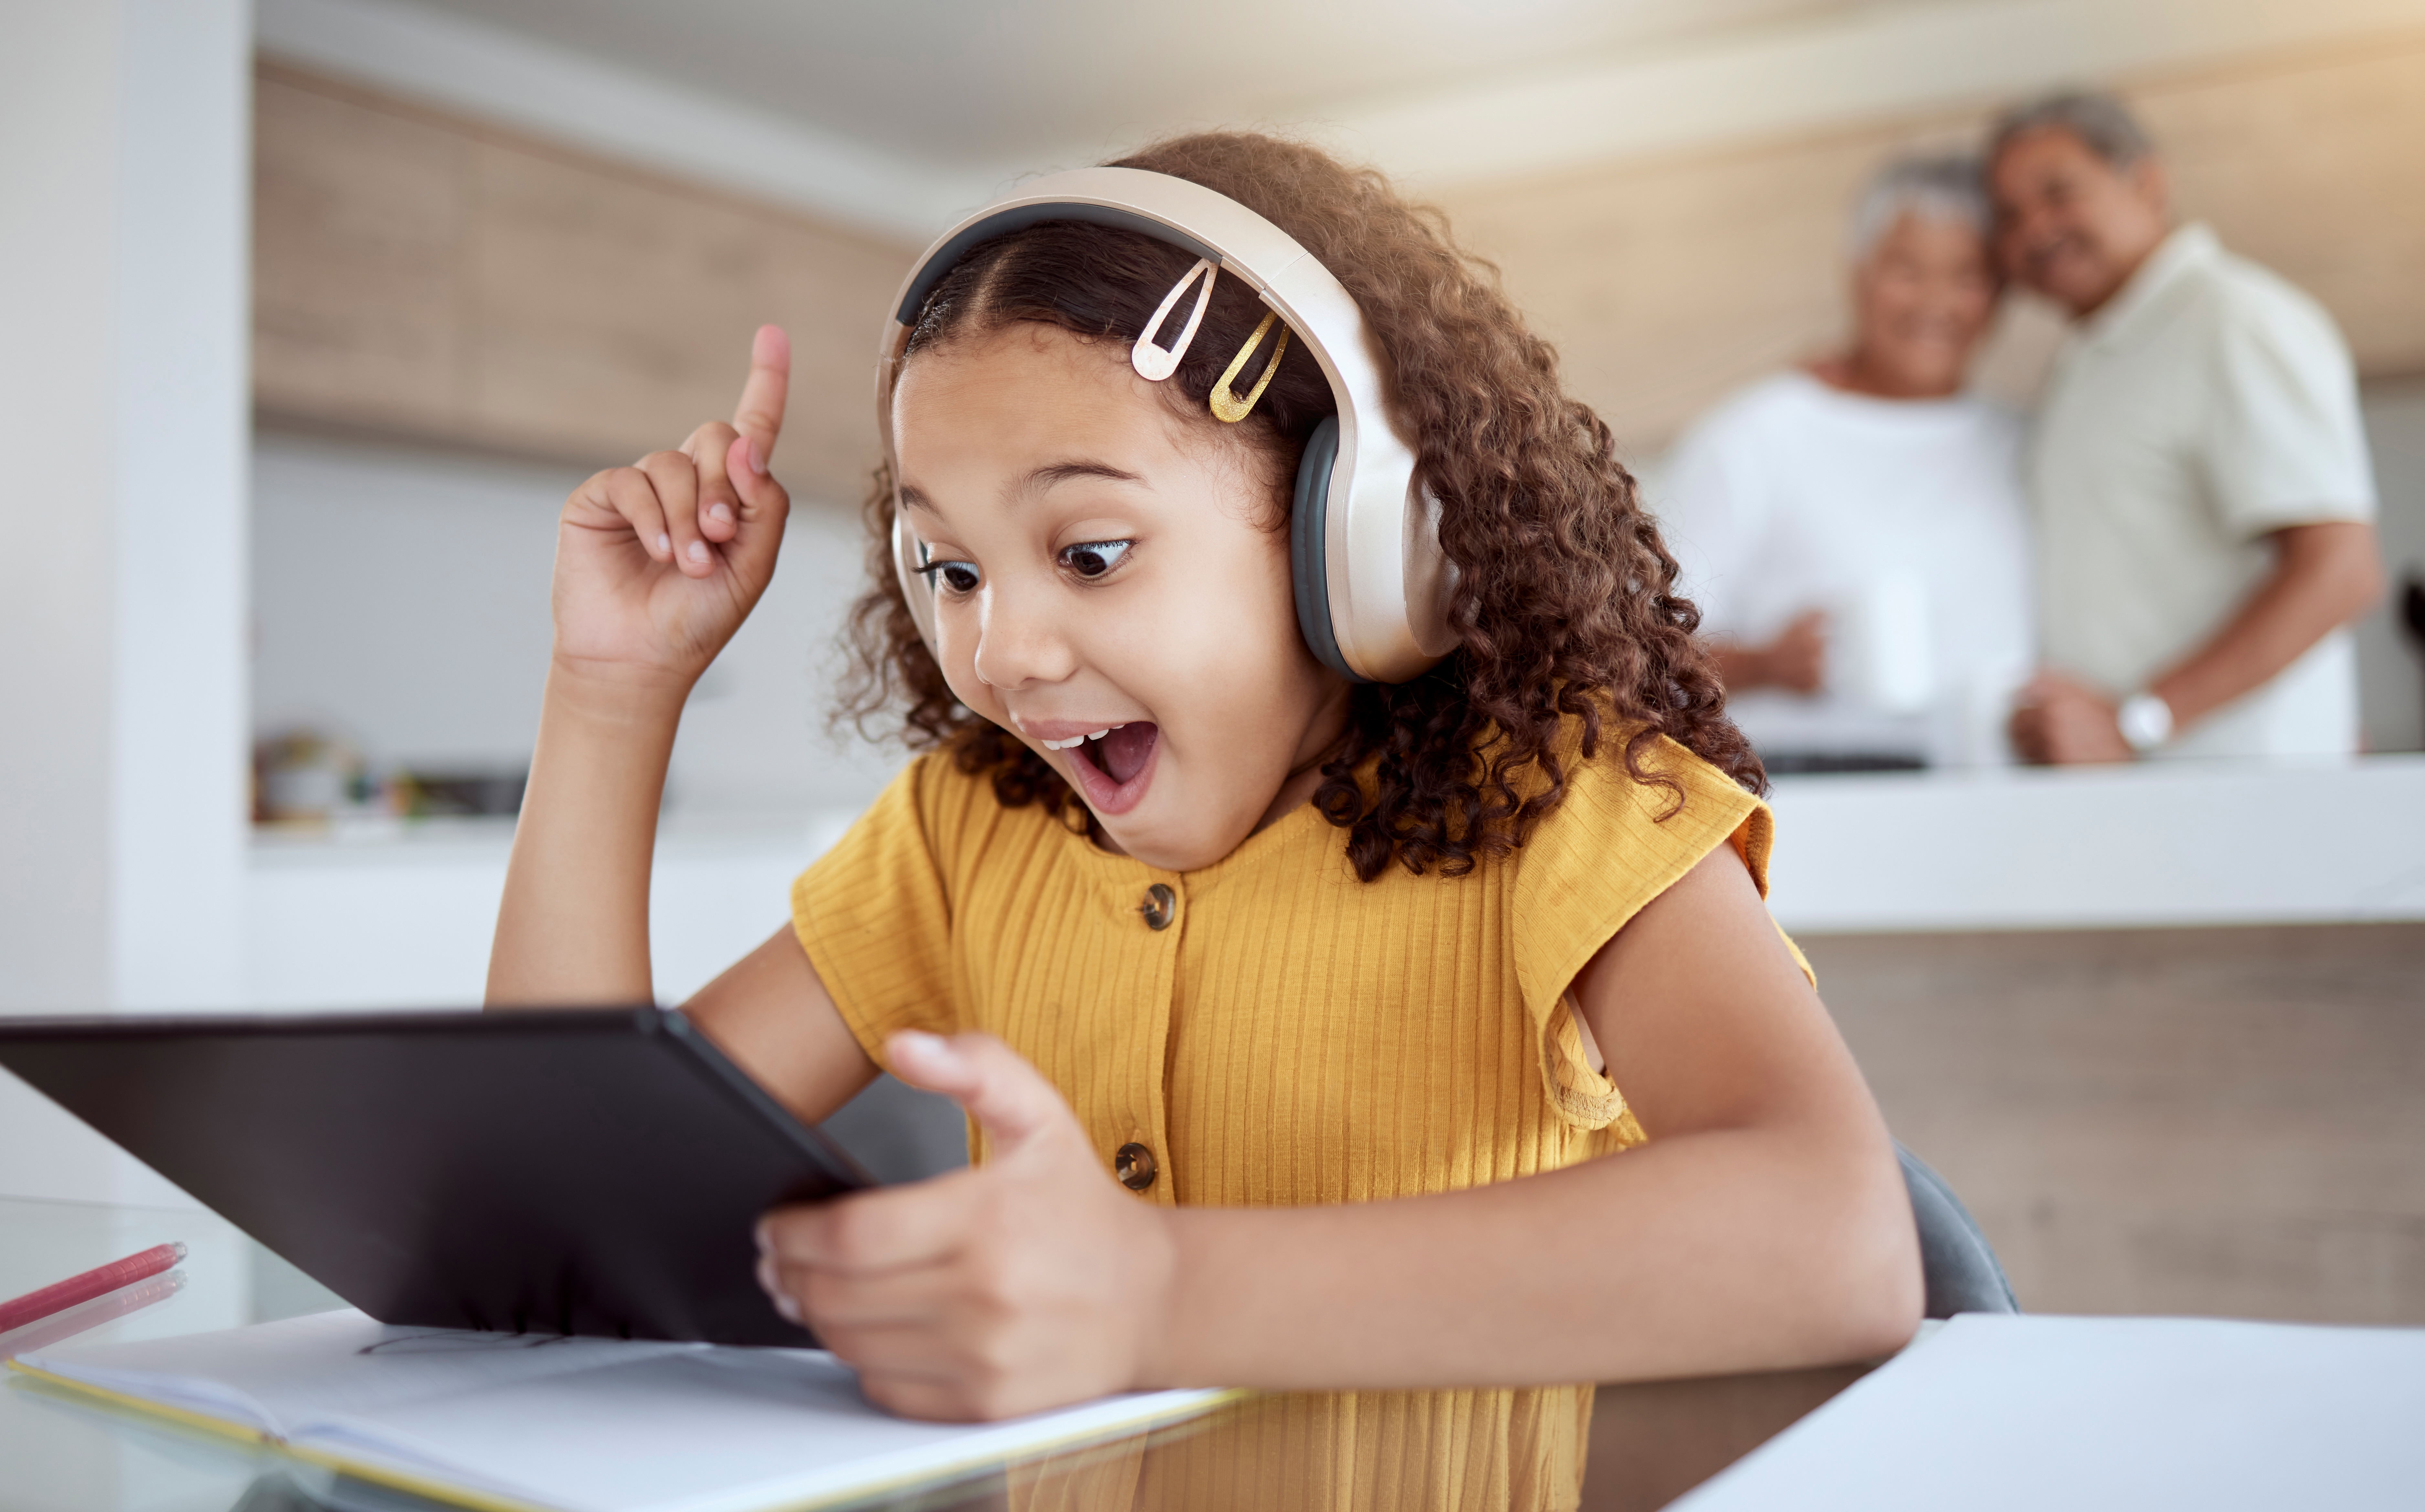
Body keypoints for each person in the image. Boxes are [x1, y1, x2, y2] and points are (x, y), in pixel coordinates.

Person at [485, 133, 1918, 1509]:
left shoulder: (1561, 804)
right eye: (952, 568)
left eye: (1089, 552)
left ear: (1357, 536)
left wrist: (1156, 1291)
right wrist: (612, 692)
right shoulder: (962, 832)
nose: (1001, 652)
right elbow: (555, 1217)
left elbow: (1833, 1236)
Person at [1990, 91, 2385, 763]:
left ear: (2146, 183)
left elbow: (2340, 569)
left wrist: (2140, 721)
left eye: (2058, 194)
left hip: (2241, 797)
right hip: (2151, 801)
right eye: (2008, 215)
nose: (2033, 231)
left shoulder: (2231, 319)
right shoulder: (2088, 356)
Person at [1657, 154, 2034, 771]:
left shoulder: (2020, 443)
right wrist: (1765, 664)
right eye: (1907, 270)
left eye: (1968, 276)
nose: (1936, 302)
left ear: (1998, 298)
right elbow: (1637, 653)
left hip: (2006, 796)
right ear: (1857, 274)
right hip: (1818, 796)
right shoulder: (1756, 437)